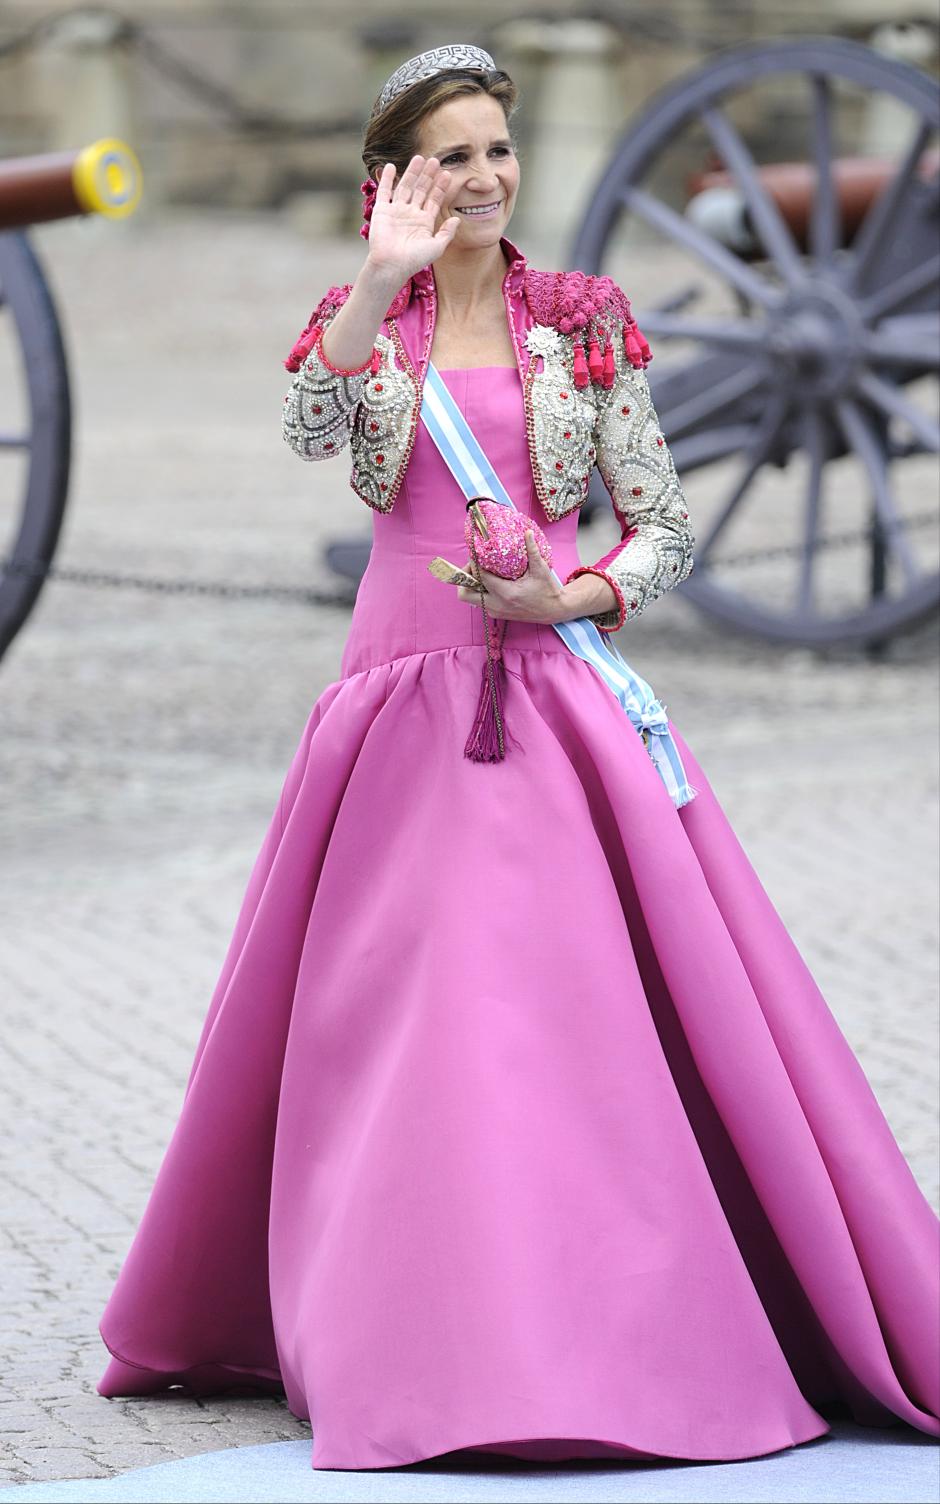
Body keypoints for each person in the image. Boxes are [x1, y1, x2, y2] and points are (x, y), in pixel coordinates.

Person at [96, 45, 940, 1473]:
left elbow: (664, 524)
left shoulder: (579, 318)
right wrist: (376, 279)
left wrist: (577, 594)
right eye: (455, 157)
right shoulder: (368, 317)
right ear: (399, 177)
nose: (486, 178)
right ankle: (412, 1344)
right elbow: (314, 432)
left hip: (554, 706)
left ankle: (591, 1335)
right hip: (392, 714)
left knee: (556, 1028)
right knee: (405, 1033)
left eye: (499, 151)